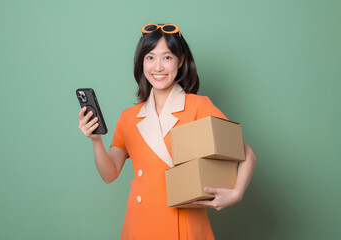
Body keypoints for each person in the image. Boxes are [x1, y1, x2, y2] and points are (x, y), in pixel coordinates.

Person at [78, 23, 257, 240]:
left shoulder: (199, 106)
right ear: (141, 62)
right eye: (150, 57)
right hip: (139, 224)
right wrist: (96, 140)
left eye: (167, 57)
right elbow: (109, 174)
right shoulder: (129, 117)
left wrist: (235, 194)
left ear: (180, 61)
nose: (158, 67)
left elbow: (247, 154)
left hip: (185, 226)